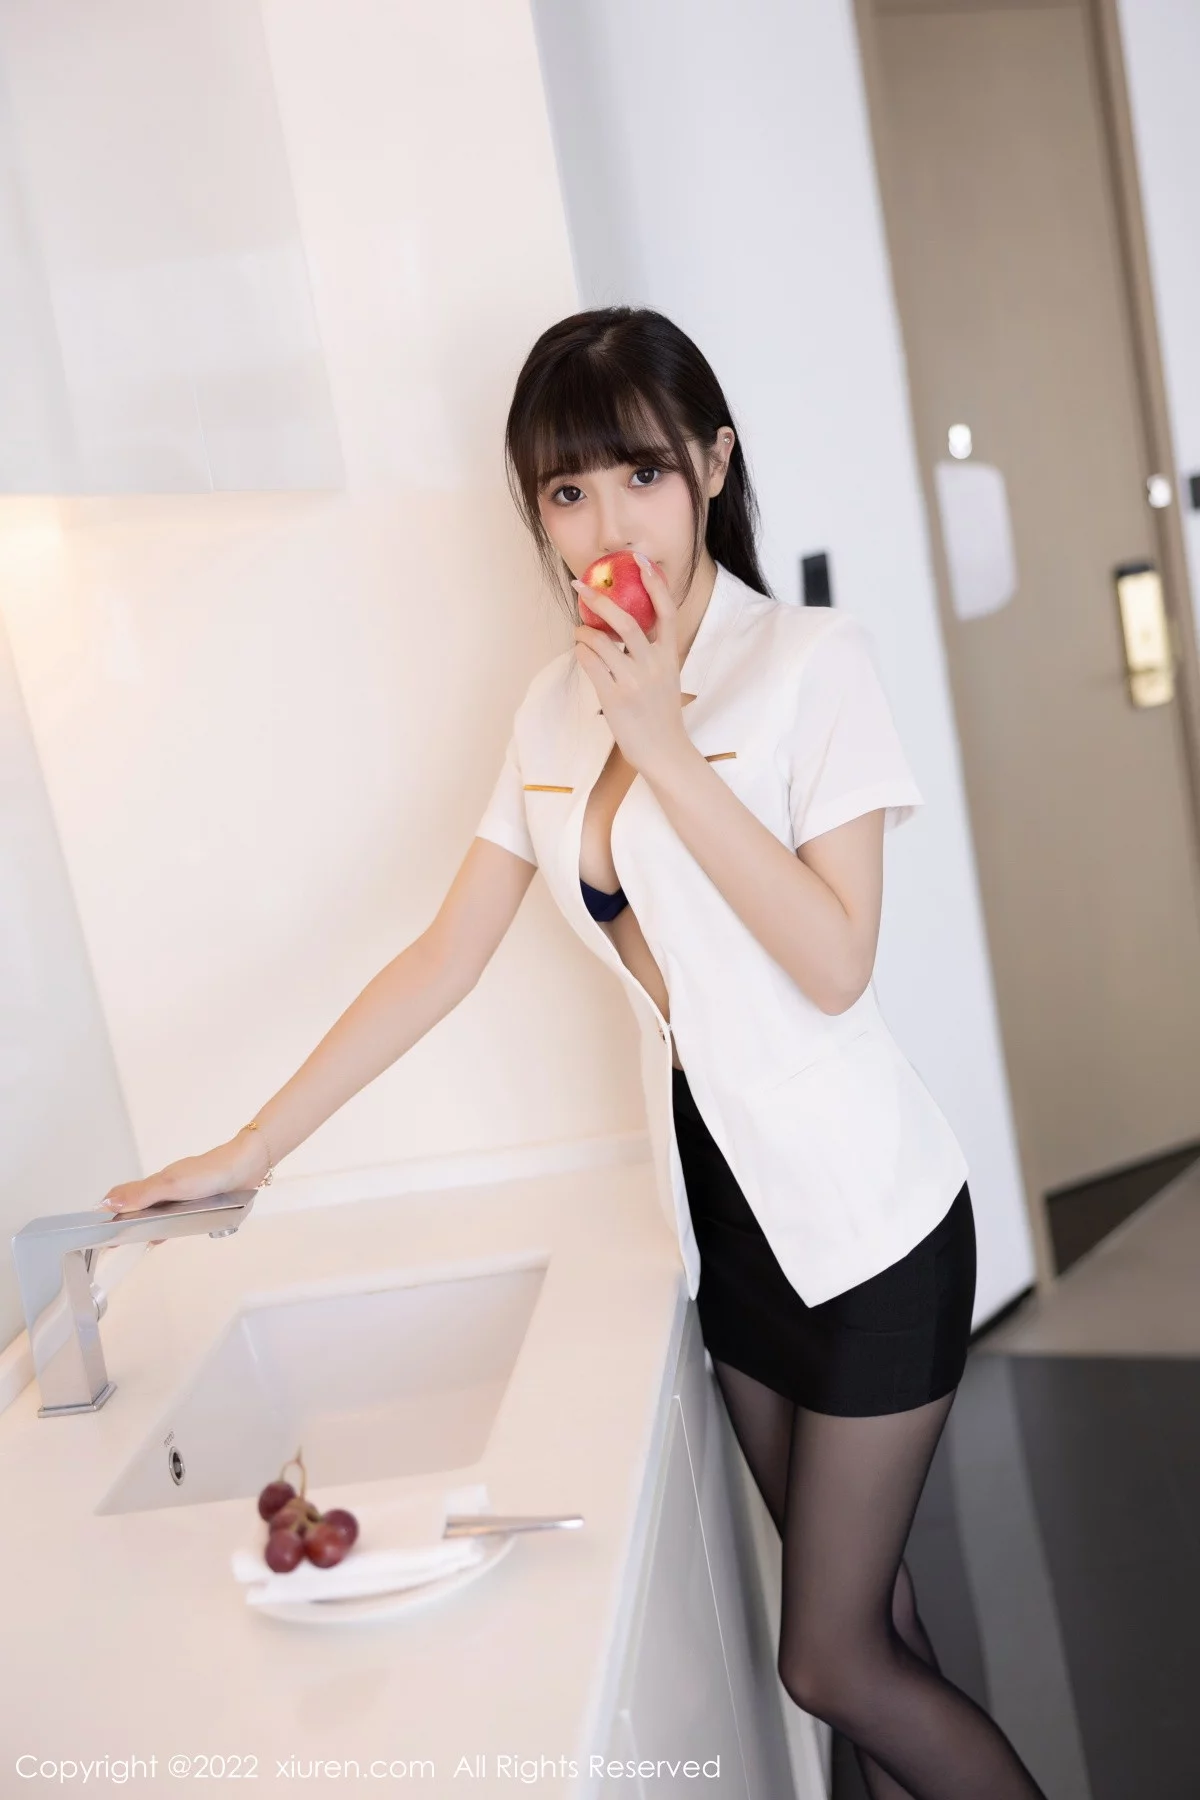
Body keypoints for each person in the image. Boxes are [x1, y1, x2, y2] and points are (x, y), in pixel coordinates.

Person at [101, 306, 1047, 1800]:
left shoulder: (811, 663)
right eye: (568, 490)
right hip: (729, 1232)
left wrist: (664, 740)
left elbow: (834, 962)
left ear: (714, 467)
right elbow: (445, 956)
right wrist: (250, 1150)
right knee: (879, 1632)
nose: (610, 525)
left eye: (643, 475)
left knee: (828, 1662)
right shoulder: (549, 711)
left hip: (870, 1228)